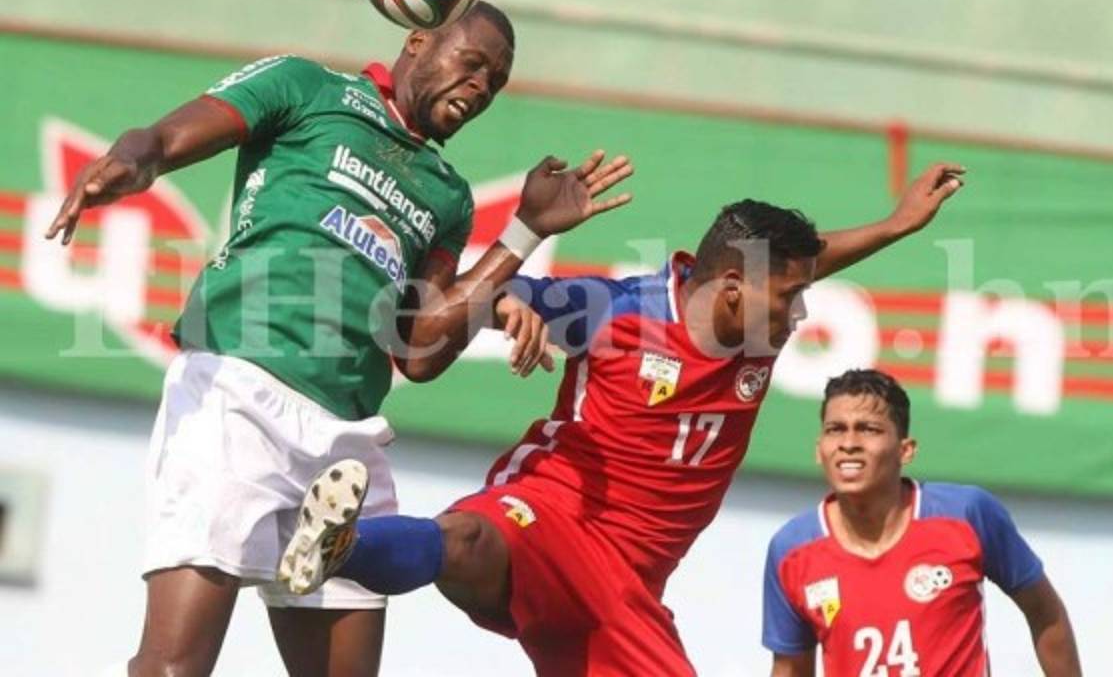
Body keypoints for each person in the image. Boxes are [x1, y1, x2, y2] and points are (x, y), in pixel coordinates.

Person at [45, 2, 634, 677]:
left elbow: (418, 350)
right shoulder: (308, 89)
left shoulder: (446, 195)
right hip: (238, 395)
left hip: (345, 447)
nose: (479, 89)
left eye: (494, 84)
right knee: (175, 668)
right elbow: (169, 137)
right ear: (418, 41)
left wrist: (524, 233)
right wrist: (129, 161)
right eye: (471, 64)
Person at [279, 163, 966, 676]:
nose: (799, 315)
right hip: (557, 513)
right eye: (788, 299)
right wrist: (507, 305)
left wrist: (896, 225)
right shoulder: (620, 310)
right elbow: (469, 298)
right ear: (733, 289)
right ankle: (341, 549)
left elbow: (807, 261)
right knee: (467, 542)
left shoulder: (760, 315)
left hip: (626, 591)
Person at [762, 369, 1082, 677]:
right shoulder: (791, 550)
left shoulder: (967, 514)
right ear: (819, 450)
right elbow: (790, 668)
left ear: (906, 450)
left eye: (868, 429)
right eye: (835, 429)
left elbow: (1045, 613)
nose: (849, 442)